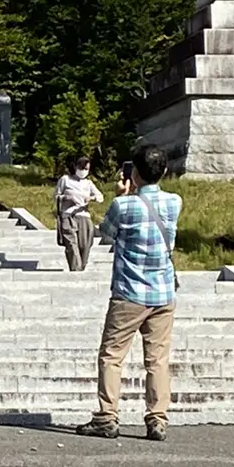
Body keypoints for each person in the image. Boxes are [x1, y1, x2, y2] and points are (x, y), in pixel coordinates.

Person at [77, 143, 181, 443]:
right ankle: (157, 418)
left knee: (112, 355)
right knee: (157, 359)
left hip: (129, 292)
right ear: (163, 172)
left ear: (133, 173)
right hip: (163, 293)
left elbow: (106, 235)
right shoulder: (175, 202)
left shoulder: (123, 206)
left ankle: (107, 416)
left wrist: (123, 195)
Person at [54, 155, 102, 272]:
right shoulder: (65, 179)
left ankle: (81, 267)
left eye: (87, 169)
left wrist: (91, 198)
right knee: (71, 244)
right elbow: (56, 196)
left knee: (85, 245)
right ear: (76, 167)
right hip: (68, 215)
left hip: (84, 216)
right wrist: (66, 197)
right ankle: (76, 270)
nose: (84, 171)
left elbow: (100, 197)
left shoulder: (88, 183)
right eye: (82, 168)